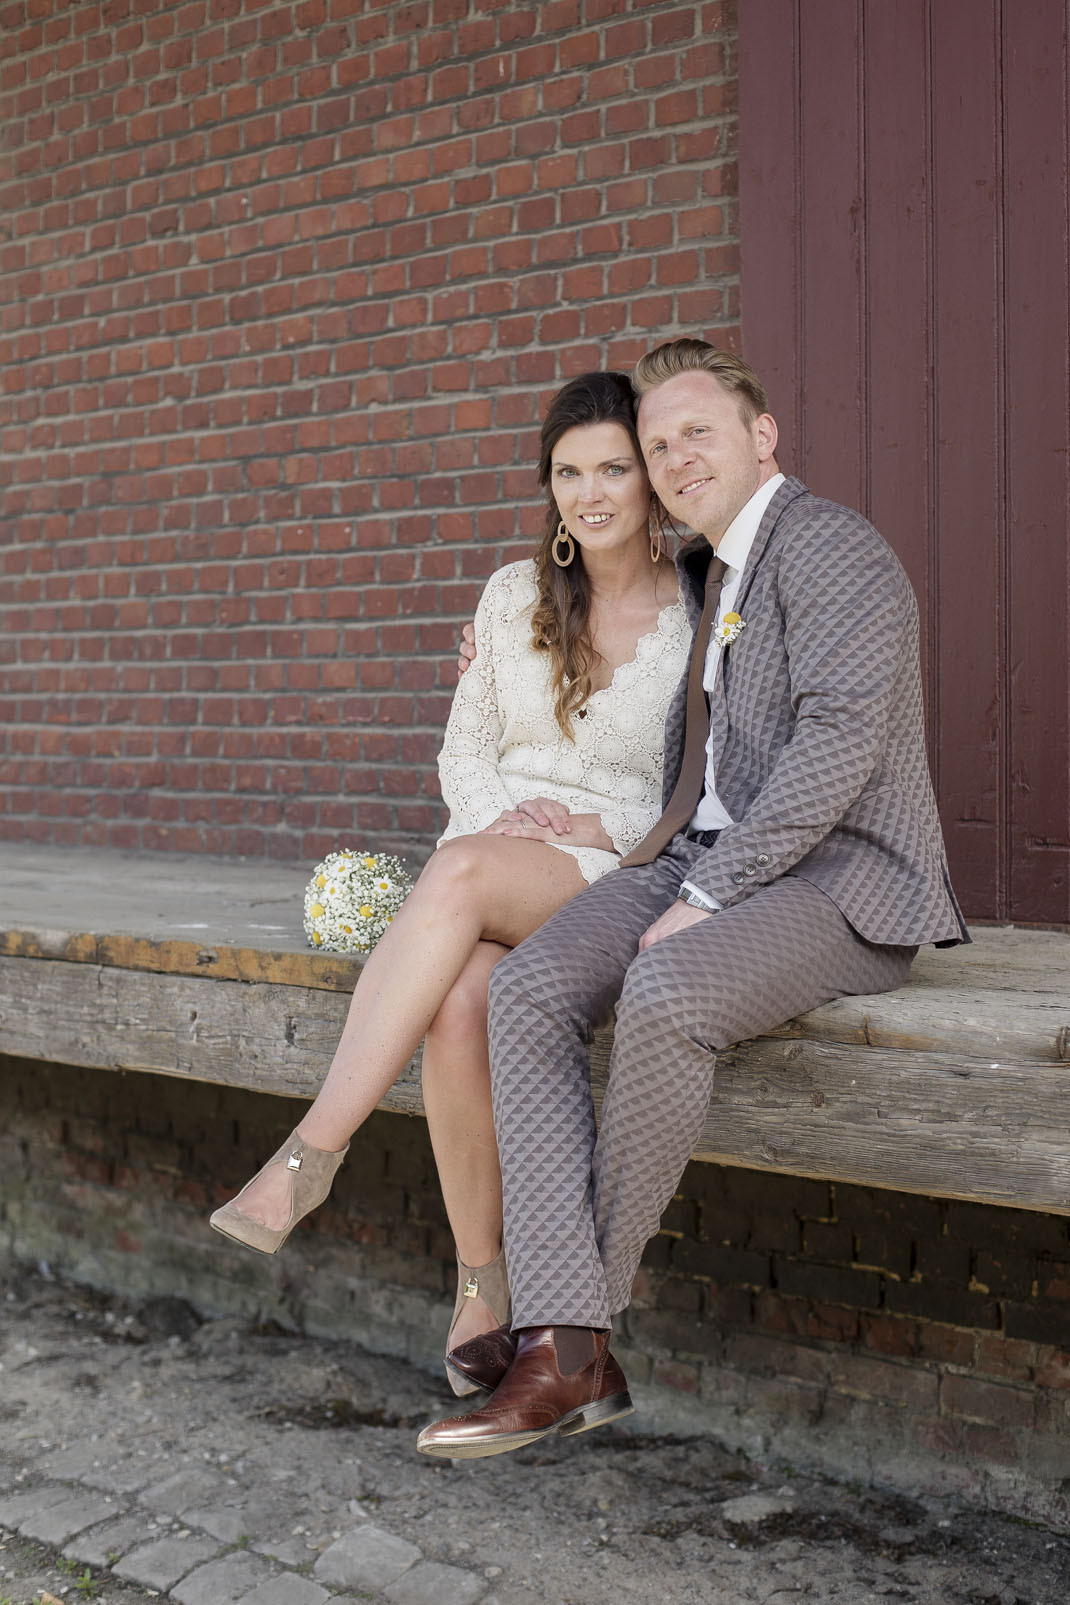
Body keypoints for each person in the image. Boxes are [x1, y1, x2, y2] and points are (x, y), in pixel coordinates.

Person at [417, 339, 968, 1458]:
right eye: (655, 444)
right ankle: (571, 1347)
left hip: (843, 876)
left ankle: (565, 1346)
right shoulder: (709, 575)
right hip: (697, 857)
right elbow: (622, 688)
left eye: (694, 433)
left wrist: (709, 894)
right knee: (525, 991)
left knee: (664, 987)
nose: (672, 458)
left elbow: (835, 750)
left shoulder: (833, 552)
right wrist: (497, 653)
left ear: (761, 436)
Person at [208, 372, 692, 1392]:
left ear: (650, 479)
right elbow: (462, 744)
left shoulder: (698, 610)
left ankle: (308, 1157)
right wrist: (493, 817)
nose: (589, 492)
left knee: (460, 876)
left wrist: (587, 821)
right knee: (462, 999)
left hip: (608, 863)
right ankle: (482, 1282)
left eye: (612, 467)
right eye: (567, 472)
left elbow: (692, 779)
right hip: (488, 849)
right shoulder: (513, 594)